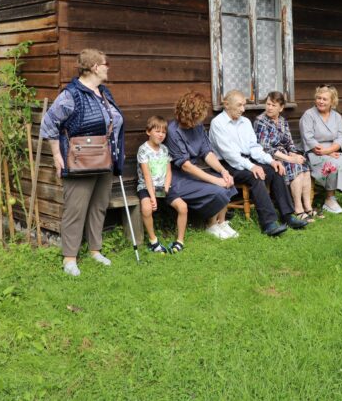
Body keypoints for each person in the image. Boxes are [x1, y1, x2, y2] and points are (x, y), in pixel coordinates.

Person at [40, 49, 125, 277]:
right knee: (76, 209)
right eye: (106, 64)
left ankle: (95, 251)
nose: (108, 68)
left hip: (104, 159)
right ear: (95, 67)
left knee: (98, 207)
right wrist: (58, 156)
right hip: (80, 162)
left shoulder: (103, 93)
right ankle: (69, 258)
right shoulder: (71, 94)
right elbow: (49, 125)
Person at [209, 90, 307, 236]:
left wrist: (271, 161)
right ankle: (269, 224)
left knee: (276, 170)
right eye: (239, 105)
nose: (243, 109)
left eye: (244, 105)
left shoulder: (245, 122)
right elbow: (230, 155)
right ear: (227, 105)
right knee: (255, 176)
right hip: (227, 165)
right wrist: (252, 166)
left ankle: (287, 216)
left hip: (247, 160)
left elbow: (254, 148)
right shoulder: (218, 124)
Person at [163, 92, 239, 240]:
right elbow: (185, 166)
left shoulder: (197, 126)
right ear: (189, 114)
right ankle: (211, 226)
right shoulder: (173, 131)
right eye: (199, 115)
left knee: (228, 183)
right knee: (218, 189)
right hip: (177, 178)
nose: (201, 118)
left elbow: (207, 153)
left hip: (193, 172)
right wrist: (216, 180)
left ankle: (221, 223)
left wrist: (223, 171)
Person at [299, 84, 342, 214]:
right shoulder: (308, 115)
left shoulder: (337, 117)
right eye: (318, 98)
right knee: (333, 165)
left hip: (332, 151)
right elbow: (309, 139)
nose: (320, 101)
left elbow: (341, 138)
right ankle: (329, 200)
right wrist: (327, 152)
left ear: (332, 101)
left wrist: (330, 150)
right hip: (314, 154)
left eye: (325, 99)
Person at [253, 91, 319, 222]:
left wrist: (294, 153)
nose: (269, 108)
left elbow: (289, 142)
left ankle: (308, 207)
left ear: (281, 108)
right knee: (295, 167)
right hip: (270, 158)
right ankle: (298, 209)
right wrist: (290, 158)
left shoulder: (282, 121)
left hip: (284, 154)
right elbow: (265, 148)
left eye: (273, 105)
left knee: (304, 167)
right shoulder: (260, 121)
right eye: (268, 104)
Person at [137, 115, 189, 253]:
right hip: (146, 187)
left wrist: (166, 187)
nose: (161, 135)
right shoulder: (143, 150)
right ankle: (153, 241)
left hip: (163, 187)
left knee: (183, 207)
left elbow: (169, 172)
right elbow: (147, 176)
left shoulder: (164, 150)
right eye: (157, 131)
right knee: (147, 208)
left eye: (164, 132)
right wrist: (153, 197)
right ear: (148, 132)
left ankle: (180, 241)